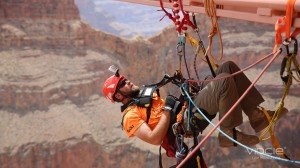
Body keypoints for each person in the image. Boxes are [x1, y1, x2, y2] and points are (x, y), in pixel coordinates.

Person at [102, 61, 288, 148]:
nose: (127, 81)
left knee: (228, 67)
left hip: (188, 108)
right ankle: (228, 134)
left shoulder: (143, 95)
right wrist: (167, 109)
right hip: (186, 123)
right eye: (122, 83)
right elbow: (154, 139)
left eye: (125, 79)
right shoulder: (130, 116)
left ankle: (257, 117)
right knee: (223, 81)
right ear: (118, 95)